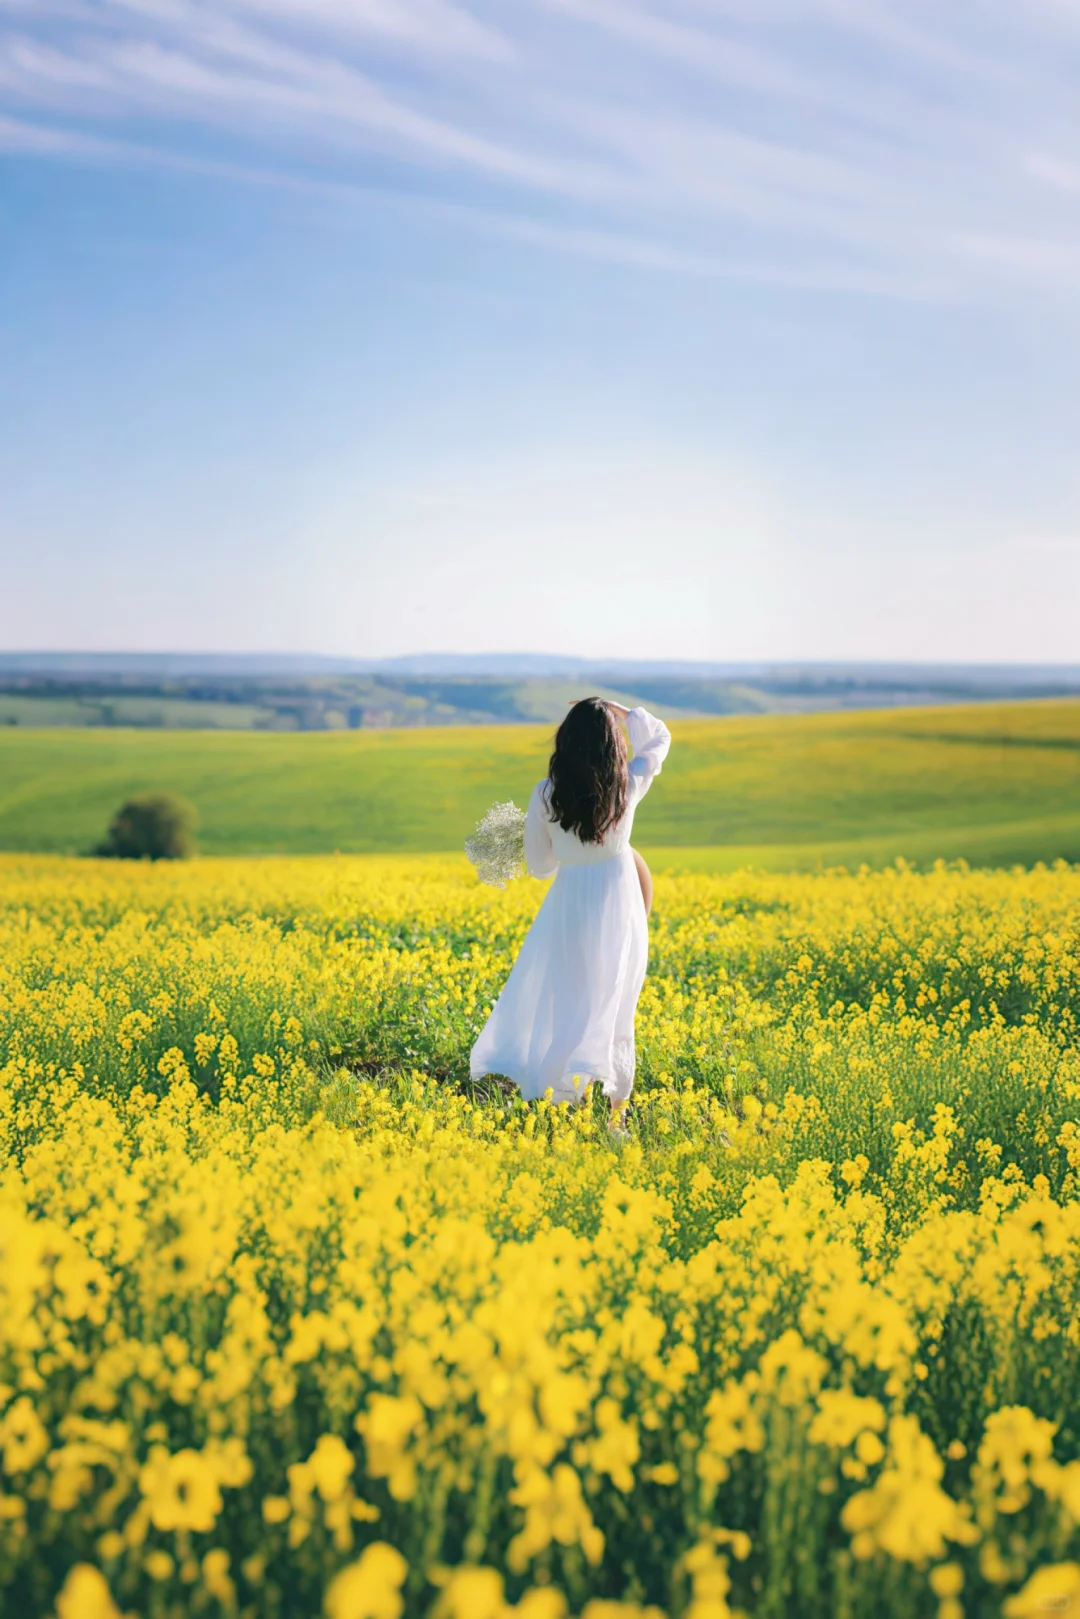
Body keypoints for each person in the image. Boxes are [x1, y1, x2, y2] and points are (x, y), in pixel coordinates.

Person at [470, 699, 672, 1124]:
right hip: (620, 904)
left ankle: (567, 1100)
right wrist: (623, 712)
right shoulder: (628, 784)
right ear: (612, 746)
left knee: (569, 999)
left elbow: (541, 869)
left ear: (565, 743)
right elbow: (659, 739)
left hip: (571, 905)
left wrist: (566, 850)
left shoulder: (546, 794)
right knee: (616, 1001)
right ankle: (617, 1113)